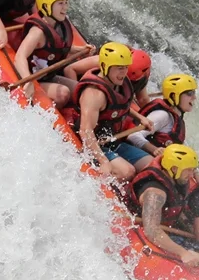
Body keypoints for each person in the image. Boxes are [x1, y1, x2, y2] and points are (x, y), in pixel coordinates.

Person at [65, 41, 155, 180]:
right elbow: (85, 131)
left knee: (151, 164)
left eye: (125, 67)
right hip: (91, 142)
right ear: (105, 66)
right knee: (127, 172)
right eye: (119, 68)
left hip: (111, 139)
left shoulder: (119, 83)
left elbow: (119, 105)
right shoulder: (94, 94)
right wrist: (103, 160)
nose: (123, 73)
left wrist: (141, 117)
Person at [126, 144, 199, 269]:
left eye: (193, 170)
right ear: (174, 169)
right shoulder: (155, 193)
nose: (191, 174)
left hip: (167, 227)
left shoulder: (176, 178)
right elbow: (151, 230)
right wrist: (183, 253)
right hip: (142, 230)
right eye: (188, 170)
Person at [13, 0, 94, 105]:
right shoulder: (37, 32)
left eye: (66, 2)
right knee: (63, 93)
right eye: (60, 3)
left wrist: (81, 49)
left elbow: (59, 47)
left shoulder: (59, 24)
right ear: (46, 6)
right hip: (33, 77)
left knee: (80, 90)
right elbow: (20, 56)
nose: (65, 7)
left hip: (48, 75)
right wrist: (27, 81)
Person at [127, 73, 197, 156]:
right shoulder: (162, 115)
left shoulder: (177, 117)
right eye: (190, 93)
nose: (194, 97)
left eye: (194, 92)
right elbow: (133, 135)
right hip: (137, 155)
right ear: (174, 96)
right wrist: (155, 150)